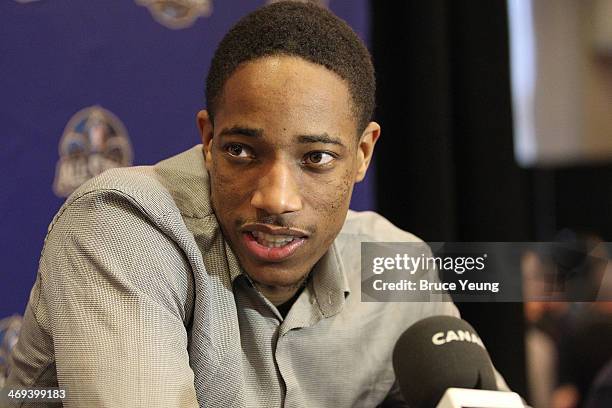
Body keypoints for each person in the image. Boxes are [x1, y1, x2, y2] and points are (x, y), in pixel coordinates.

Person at [5, 2, 504, 407]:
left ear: (362, 154)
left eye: (316, 158)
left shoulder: (395, 265)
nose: (275, 199)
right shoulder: (122, 226)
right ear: (208, 138)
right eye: (241, 152)